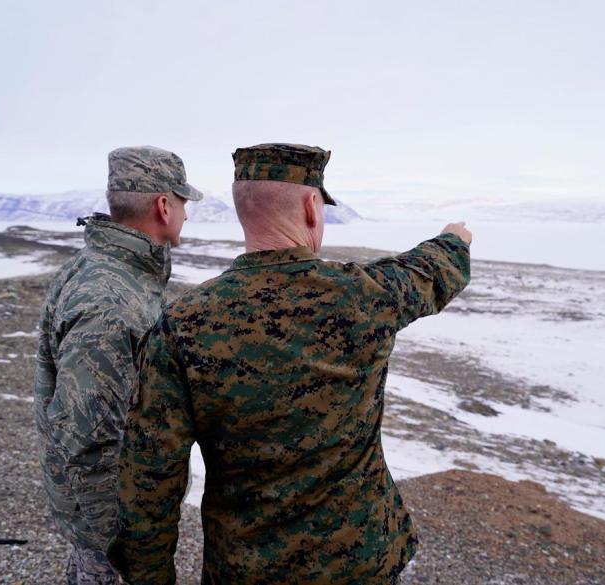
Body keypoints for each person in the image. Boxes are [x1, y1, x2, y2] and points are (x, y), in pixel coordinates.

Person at [108, 143, 472, 584]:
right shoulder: (363, 297)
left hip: (245, 570)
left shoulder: (184, 323)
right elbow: (429, 272)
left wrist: (151, 577)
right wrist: (455, 239)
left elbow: (150, 475)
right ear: (311, 208)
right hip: (359, 566)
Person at [32, 145, 202, 584]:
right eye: (183, 202)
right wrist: (125, 547)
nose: (185, 213)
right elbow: (88, 437)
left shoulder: (113, 272)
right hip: (115, 538)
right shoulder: (109, 297)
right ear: (165, 206)